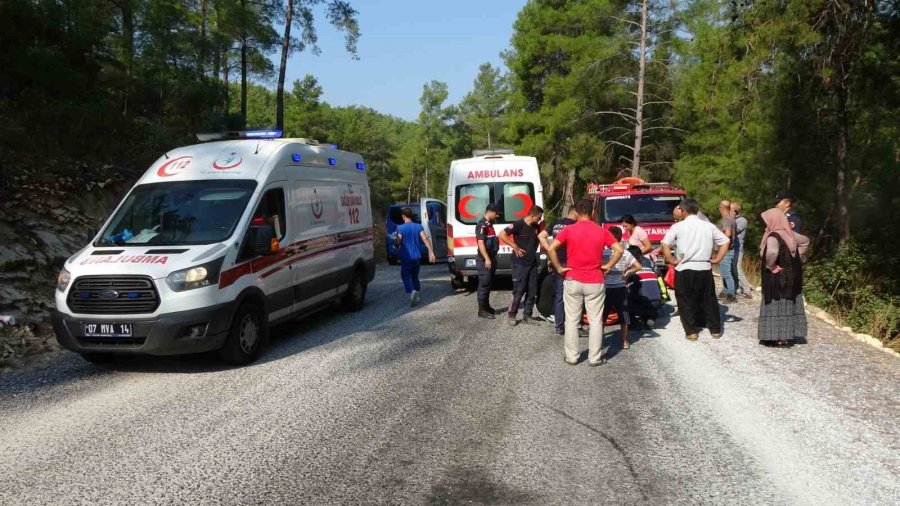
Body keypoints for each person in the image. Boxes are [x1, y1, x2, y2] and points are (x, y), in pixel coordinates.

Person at [547, 199, 623, 366]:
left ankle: (572, 357)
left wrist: (559, 267)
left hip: (573, 278)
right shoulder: (601, 231)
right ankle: (595, 358)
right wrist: (608, 265)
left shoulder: (569, 230)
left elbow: (551, 248)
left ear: (576, 211)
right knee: (596, 321)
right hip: (595, 279)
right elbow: (619, 249)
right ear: (593, 211)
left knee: (572, 319)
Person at [661, 198, 730, 341]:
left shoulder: (678, 227)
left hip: (685, 266)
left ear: (684, 211)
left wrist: (671, 260)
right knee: (708, 298)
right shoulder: (708, 226)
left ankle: (691, 331)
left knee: (685, 299)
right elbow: (725, 241)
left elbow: (665, 244)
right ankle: (715, 329)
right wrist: (717, 259)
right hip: (704, 266)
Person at [758, 208, 810, 346]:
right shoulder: (790, 234)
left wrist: (771, 266)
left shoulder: (773, 236)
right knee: (787, 303)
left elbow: (772, 252)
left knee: (775, 303)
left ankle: (775, 337)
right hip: (791, 275)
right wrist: (795, 256)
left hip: (776, 276)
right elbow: (805, 241)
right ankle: (787, 336)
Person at [499, 205, 544, 326]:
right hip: (520, 264)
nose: (539, 219)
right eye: (539, 217)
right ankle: (512, 314)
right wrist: (514, 246)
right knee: (519, 291)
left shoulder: (536, 227)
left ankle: (527, 316)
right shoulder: (518, 224)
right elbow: (501, 234)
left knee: (532, 291)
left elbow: (541, 238)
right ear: (532, 215)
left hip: (532, 263)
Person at [538, 208, 577, 335]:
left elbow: (541, 235)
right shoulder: (574, 225)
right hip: (570, 262)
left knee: (559, 295)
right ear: (576, 212)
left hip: (557, 262)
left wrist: (551, 251)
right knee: (574, 295)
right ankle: (576, 323)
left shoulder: (556, 222)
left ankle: (559, 326)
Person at [602, 227, 642, 349]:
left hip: (606, 288)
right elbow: (638, 266)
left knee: (602, 315)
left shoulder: (604, 253)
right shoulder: (625, 253)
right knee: (623, 314)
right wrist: (627, 273)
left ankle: (600, 340)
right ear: (620, 238)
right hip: (621, 287)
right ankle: (624, 341)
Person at [395, 207, 436, 306]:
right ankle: (417, 295)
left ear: (403, 216)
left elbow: (399, 240)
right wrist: (431, 252)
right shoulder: (418, 227)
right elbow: (425, 238)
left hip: (406, 256)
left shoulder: (400, 227)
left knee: (405, 275)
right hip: (417, 256)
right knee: (414, 276)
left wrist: (396, 244)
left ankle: (412, 290)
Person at [475, 204, 500, 319]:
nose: (497, 215)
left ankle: (486, 306)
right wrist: (487, 259)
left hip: (491, 258)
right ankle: (481, 310)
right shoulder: (482, 225)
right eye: (496, 213)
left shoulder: (490, 225)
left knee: (489, 284)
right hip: (484, 259)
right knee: (484, 285)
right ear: (490, 212)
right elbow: (480, 243)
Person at [717, 200, 739, 303]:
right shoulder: (732, 218)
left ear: (721, 207)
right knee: (724, 271)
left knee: (726, 273)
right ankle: (725, 291)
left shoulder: (726, 219)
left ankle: (731, 294)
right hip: (730, 249)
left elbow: (728, 233)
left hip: (726, 250)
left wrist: (722, 245)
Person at [731, 202, 753, 297]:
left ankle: (747, 290)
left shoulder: (742, 220)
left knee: (738, 269)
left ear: (735, 211)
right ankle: (737, 287)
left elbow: (734, 232)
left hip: (738, 248)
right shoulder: (731, 220)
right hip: (731, 248)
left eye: (730, 210)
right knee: (732, 269)